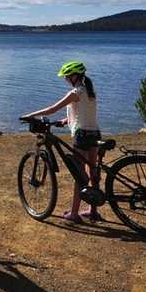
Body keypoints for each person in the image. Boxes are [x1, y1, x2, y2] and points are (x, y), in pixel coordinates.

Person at [22, 61, 102, 224]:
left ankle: (74, 213)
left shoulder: (76, 92)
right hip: (94, 133)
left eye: (67, 76)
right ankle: (93, 210)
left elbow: (52, 109)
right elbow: (84, 113)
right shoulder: (90, 91)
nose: (65, 79)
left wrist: (30, 115)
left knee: (79, 176)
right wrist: (66, 120)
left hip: (82, 136)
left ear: (74, 76)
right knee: (92, 172)